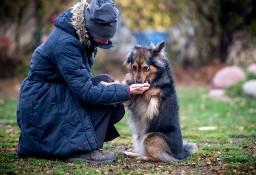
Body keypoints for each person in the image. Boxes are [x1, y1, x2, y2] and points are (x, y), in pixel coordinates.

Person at [16, 0, 149, 163]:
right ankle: (82, 150)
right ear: (90, 30)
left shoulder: (79, 36)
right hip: (43, 104)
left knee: (105, 82)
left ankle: (89, 146)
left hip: (54, 97)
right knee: (104, 93)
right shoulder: (66, 44)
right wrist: (126, 91)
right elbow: (86, 93)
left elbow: (82, 83)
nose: (106, 43)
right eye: (102, 38)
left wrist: (117, 89)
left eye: (108, 38)